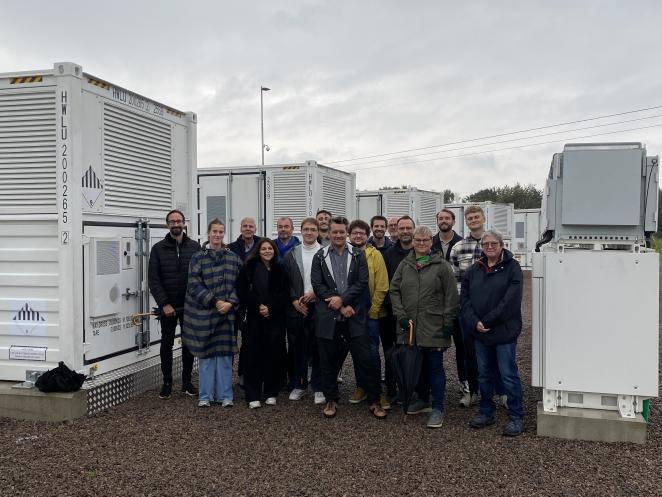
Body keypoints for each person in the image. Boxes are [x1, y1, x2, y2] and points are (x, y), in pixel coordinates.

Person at [311, 216, 386, 420]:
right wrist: (339, 305)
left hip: (354, 314)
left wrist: (343, 302)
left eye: (341, 232)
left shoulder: (358, 255)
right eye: (334, 232)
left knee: (365, 359)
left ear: (347, 233)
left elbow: (362, 282)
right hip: (329, 316)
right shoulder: (320, 256)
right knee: (328, 360)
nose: (337, 235)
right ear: (328, 233)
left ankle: (374, 400)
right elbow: (318, 286)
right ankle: (331, 399)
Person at [390, 226, 458, 428]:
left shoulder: (442, 266)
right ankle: (422, 399)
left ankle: (438, 407)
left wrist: (448, 322)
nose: (421, 243)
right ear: (412, 241)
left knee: (435, 367)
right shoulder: (405, 265)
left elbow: (451, 296)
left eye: (425, 240)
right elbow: (394, 291)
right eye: (417, 240)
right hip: (410, 326)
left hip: (434, 325)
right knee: (416, 367)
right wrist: (401, 316)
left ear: (431, 242)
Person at [461, 230, 524, 437]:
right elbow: (465, 301)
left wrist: (487, 321)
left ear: (501, 245)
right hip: (480, 333)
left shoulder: (512, 268)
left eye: (493, 243)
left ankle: (516, 416)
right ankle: (486, 411)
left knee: (508, 374)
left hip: (504, 332)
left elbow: (510, 301)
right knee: (484, 374)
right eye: (486, 243)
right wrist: (475, 322)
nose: (489, 246)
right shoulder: (473, 270)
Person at [450, 205, 505, 408]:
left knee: (496, 351)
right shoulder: (458, 248)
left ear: (483, 218)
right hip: (467, 311)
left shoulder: (494, 244)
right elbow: (454, 280)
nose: (473, 220)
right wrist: (466, 307)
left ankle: (501, 392)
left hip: (492, 310)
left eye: (476, 217)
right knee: (468, 353)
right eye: (470, 218)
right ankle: (471, 391)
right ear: (466, 222)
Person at [182, 218, 241, 408]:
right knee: (206, 357)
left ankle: (225, 396)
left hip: (226, 314)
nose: (217, 235)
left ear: (224, 234)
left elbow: (241, 284)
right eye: (214, 231)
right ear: (209, 233)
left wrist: (230, 303)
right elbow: (193, 284)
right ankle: (205, 396)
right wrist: (215, 302)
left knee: (224, 357)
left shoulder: (232, 257)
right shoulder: (198, 257)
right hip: (204, 314)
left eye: (220, 231)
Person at [148, 209, 200, 399]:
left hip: (189, 306)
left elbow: (200, 276)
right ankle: (167, 382)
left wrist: (195, 301)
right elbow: (154, 280)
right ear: (167, 224)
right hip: (168, 307)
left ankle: (187, 382)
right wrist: (164, 304)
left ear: (184, 223)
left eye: (179, 221)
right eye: (172, 221)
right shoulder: (158, 248)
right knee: (166, 343)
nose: (176, 224)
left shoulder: (195, 247)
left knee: (188, 344)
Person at [237, 238, 290, 408]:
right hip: (253, 319)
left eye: (270, 248)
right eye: (263, 248)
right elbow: (243, 291)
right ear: (258, 251)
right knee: (252, 356)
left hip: (274, 319)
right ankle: (252, 395)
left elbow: (284, 293)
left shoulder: (280, 269)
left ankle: (271, 392)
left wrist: (271, 308)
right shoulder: (248, 267)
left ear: (274, 250)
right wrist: (258, 306)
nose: (267, 251)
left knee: (273, 355)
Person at [346, 219, 390, 409]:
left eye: (361, 233)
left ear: (367, 235)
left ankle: (377, 392)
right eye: (354, 233)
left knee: (372, 352)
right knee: (357, 352)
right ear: (349, 235)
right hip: (350, 312)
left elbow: (382, 286)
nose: (358, 236)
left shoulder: (375, 255)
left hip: (371, 313)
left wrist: (373, 311)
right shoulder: (344, 254)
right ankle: (361, 387)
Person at [283, 218, 324, 403]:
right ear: (300, 231)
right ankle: (299, 384)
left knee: (318, 348)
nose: (309, 232)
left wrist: (316, 293)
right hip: (297, 307)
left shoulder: (325, 253)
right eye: (306, 229)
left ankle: (318, 387)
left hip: (319, 306)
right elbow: (286, 282)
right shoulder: (292, 254)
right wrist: (294, 301)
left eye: (312, 229)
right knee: (298, 348)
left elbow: (330, 281)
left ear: (318, 232)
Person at [430, 209, 469, 405]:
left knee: (462, 346)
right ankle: (431, 388)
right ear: (437, 221)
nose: (443, 221)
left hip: (459, 304)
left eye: (447, 218)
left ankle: (466, 385)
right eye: (440, 218)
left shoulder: (463, 243)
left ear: (453, 221)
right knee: (433, 346)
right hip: (436, 305)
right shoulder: (429, 243)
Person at [381, 215, 416, 399]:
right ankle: (391, 387)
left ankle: (412, 389)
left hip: (418, 312)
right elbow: (385, 285)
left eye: (408, 228)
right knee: (391, 351)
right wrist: (394, 308)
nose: (404, 231)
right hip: (393, 312)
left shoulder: (422, 252)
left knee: (414, 351)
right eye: (401, 228)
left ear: (413, 229)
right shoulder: (388, 255)